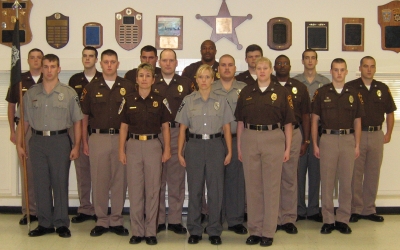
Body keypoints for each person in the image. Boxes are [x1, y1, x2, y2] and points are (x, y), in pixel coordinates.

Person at [16, 54, 83, 238]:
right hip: (37, 142)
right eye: (46, 66)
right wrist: (19, 144)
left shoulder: (69, 93)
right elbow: (24, 121)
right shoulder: (31, 93)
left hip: (59, 141)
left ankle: (61, 223)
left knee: (59, 183)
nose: (49, 70)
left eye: (53, 66)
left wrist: (76, 145)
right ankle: (44, 223)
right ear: (42, 68)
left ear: (59, 69)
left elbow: (78, 121)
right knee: (40, 183)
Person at [235, 57, 295, 247]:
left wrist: (287, 148)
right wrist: (239, 147)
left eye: (265, 68)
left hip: (273, 138)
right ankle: (255, 230)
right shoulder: (246, 92)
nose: (261, 71)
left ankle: (268, 231)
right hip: (250, 138)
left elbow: (288, 123)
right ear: (254, 70)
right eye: (258, 68)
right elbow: (240, 123)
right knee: (253, 188)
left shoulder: (282, 92)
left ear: (270, 70)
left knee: (271, 187)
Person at [176, 64, 234, 245]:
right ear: (196, 79)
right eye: (201, 77)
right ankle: (194, 229)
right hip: (194, 145)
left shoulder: (222, 100)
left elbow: (226, 128)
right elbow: (182, 128)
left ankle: (214, 229)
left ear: (213, 79)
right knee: (195, 189)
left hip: (216, 145)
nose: (204, 81)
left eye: (207, 77)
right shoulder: (188, 100)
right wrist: (179, 152)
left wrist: (229, 150)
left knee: (215, 190)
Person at [81, 49, 135, 237]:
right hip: (98, 138)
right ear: (100, 64)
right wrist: (85, 141)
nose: (109, 65)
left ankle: (117, 220)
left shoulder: (128, 86)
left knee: (120, 181)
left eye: (113, 61)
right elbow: (85, 116)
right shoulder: (92, 87)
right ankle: (102, 220)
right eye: (106, 62)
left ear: (118, 64)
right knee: (99, 180)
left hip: (122, 138)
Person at [119, 63, 172, 245]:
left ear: (153, 79)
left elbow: (165, 127)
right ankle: (137, 231)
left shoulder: (160, 99)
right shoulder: (129, 99)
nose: (144, 79)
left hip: (153, 146)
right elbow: (123, 127)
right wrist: (121, 150)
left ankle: (151, 232)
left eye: (147, 76)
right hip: (133, 146)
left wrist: (167, 149)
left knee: (153, 190)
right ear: (136, 79)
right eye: (141, 75)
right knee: (135, 190)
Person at [311, 58, 364, 235]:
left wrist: (357, 144)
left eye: (342, 70)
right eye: (336, 70)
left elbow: (357, 121)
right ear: (331, 71)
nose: (339, 73)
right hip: (328, 139)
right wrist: (315, 144)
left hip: (348, 139)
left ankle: (343, 219)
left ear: (346, 72)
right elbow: (314, 120)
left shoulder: (353, 93)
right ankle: (328, 219)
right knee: (326, 181)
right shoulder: (322, 92)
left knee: (346, 182)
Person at [346, 56, 396, 223]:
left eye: (372, 66)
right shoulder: (351, 87)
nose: (369, 69)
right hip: (356, 135)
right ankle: (355, 209)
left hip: (376, 135)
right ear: (360, 68)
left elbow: (390, 112)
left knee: (373, 173)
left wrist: (388, 132)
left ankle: (369, 209)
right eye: (366, 66)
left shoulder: (382, 88)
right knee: (355, 174)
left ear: (375, 68)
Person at [153, 49, 192, 234]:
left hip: (178, 133)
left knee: (176, 179)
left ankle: (176, 220)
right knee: (157, 180)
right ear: (159, 62)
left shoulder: (185, 84)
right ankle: (158, 219)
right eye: (164, 60)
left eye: (171, 60)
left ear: (176, 63)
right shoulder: (151, 82)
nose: (168, 64)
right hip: (156, 134)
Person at [6, 48, 43, 225]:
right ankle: (29, 211)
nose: (36, 61)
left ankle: (44, 209)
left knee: (45, 172)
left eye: (39, 58)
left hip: (45, 130)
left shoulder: (49, 79)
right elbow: (12, 106)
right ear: (28, 60)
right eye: (33, 58)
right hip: (25, 129)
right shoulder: (19, 81)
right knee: (27, 173)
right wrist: (13, 131)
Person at [274, 55, 311, 234]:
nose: (282, 66)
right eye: (279, 63)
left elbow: (305, 116)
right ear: (274, 66)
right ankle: (273, 217)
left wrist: (306, 140)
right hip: (272, 135)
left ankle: (288, 218)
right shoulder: (267, 85)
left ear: (290, 65)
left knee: (289, 177)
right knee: (272, 178)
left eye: (285, 63)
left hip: (295, 134)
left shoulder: (299, 87)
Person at [212, 54, 247, 235]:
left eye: (230, 65)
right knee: (215, 180)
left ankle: (235, 220)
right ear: (218, 69)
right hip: (215, 141)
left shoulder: (244, 89)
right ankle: (215, 219)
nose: (226, 68)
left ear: (235, 68)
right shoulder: (210, 88)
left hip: (236, 139)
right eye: (223, 65)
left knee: (236, 181)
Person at [293, 49, 330, 222]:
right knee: (298, 172)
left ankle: (314, 209)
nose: (310, 61)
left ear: (316, 61)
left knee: (316, 172)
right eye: (306, 58)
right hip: (299, 130)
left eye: (312, 58)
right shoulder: (295, 83)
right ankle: (299, 209)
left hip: (319, 132)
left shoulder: (324, 82)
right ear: (302, 61)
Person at [68, 46, 102, 223]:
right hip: (78, 130)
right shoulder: (75, 80)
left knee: (98, 173)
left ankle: (99, 209)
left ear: (96, 60)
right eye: (85, 56)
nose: (87, 59)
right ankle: (84, 208)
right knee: (82, 172)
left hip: (96, 132)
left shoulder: (103, 79)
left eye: (91, 56)